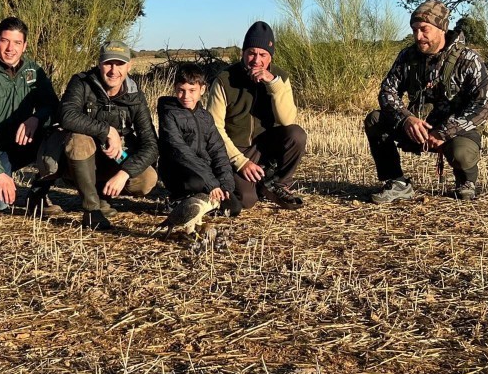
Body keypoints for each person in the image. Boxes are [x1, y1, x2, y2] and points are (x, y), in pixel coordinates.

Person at [365, 0, 488, 203]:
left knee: (462, 153)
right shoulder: (407, 56)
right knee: (375, 119)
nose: (418, 36)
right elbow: (387, 91)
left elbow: (484, 105)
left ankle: (466, 182)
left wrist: (445, 131)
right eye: (414, 30)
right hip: (417, 128)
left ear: (441, 28)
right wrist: (406, 119)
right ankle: (397, 183)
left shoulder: (469, 59)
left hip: (454, 131)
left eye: (424, 29)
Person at [0, 17, 61, 217]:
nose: (10, 48)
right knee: (0, 202)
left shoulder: (33, 71)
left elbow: (53, 105)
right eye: (5, 41)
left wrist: (37, 118)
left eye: (17, 42)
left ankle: (38, 194)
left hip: (20, 144)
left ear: (24, 45)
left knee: (60, 139)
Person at [207, 21, 307, 210]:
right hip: (236, 149)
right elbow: (214, 128)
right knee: (246, 200)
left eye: (263, 55)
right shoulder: (225, 80)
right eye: (251, 53)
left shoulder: (280, 77)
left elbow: (287, 120)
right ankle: (251, 183)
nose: (256, 60)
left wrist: (273, 84)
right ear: (243, 53)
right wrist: (241, 162)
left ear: (270, 57)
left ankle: (278, 184)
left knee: (297, 135)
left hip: (264, 146)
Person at [59, 40, 159, 230]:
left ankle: (102, 194)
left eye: (120, 64)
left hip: (116, 162)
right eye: (108, 63)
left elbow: (151, 145)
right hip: (78, 162)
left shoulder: (136, 96)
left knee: (147, 179)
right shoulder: (81, 82)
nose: (114, 70)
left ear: (129, 66)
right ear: (99, 63)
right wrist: (107, 130)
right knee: (79, 140)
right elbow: (66, 115)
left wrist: (124, 173)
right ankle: (92, 209)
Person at [158, 63, 241, 217]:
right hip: (178, 170)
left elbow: (218, 151)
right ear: (175, 88)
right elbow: (180, 151)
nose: (186, 96)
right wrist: (212, 183)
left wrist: (224, 186)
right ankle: (179, 201)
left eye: (192, 90)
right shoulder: (169, 114)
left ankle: (196, 206)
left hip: (204, 172)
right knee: (196, 183)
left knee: (233, 207)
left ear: (202, 89)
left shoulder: (206, 117)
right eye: (181, 90)